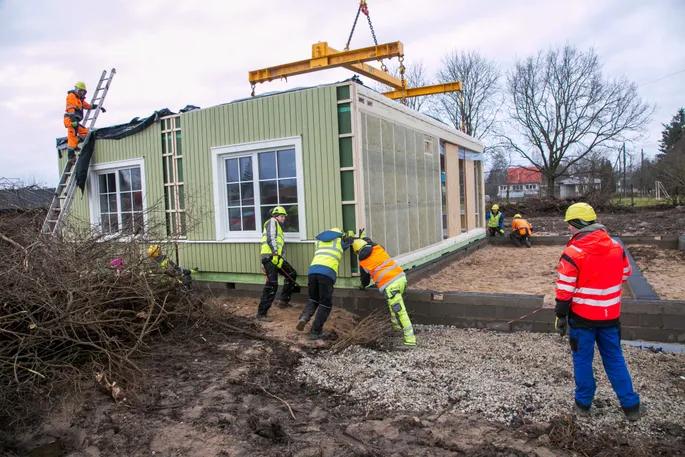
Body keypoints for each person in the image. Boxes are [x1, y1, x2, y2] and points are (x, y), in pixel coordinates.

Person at [554, 202, 646, 421]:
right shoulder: (616, 247)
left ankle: (583, 406)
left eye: (569, 224)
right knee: (615, 359)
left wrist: (561, 316)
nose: (568, 229)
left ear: (577, 224)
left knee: (583, 361)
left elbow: (564, 290)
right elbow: (625, 274)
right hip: (610, 317)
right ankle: (631, 407)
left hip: (582, 319)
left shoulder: (573, 252)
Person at [352, 235, 417, 349]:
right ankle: (396, 328)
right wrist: (363, 237)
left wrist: (362, 286)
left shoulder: (363, 262)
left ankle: (410, 340)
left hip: (390, 285)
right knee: (393, 306)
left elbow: (365, 281)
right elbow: (370, 241)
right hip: (401, 278)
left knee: (400, 311)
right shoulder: (378, 248)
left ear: (357, 252)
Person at [296, 228, 354, 339]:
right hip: (326, 273)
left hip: (312, 271)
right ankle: (315, 331)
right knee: (325, 304)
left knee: (313, 299)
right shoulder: (339, 242)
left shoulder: (319, 242)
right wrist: (350, 236)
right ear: (339, 235)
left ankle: (304, 318)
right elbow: (348, 243)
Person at [256, 206, 298, 322]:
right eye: (281, 216)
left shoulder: (279, 228)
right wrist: (274, 255)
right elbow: (271, 239)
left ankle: (283, 301)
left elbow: (281, 247)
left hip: (276, 258)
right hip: (270, 257)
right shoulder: (272, 222)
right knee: (272, 284)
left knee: (291, 274)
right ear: (275, 216)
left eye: (284, 216)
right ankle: (261, 313)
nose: (283, 218)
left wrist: (280, 259)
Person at [63, 81, 106, 163]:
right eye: (80, 91)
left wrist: (99, 107)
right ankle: (71, 157)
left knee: (85, 132)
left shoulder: (80, 100)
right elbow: (70, 109)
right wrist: (73, 121)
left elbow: (88, 106)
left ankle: (76, 144)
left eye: (83, 92)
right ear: (76, 89)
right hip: (70, 120)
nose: (82, 93)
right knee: (72, 137)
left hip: (75, 121)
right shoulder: (71, 96)